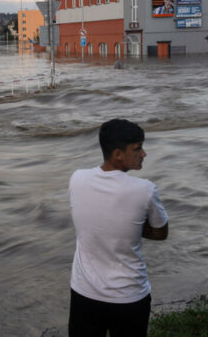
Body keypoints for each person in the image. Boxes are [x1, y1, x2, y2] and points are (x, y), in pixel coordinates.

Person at [68, 119, 169, 337]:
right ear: (117, 154)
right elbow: (161, 232)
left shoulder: (77, 179)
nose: (143, 154)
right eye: (137, 148)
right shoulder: (145, 190)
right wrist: (132, 227)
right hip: (129, 297)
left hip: (84, 293)